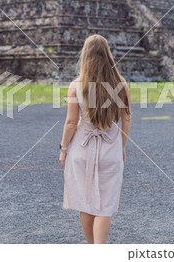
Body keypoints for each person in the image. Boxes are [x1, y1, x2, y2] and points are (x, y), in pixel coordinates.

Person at [59, 34, 132, 244]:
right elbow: (126, 120)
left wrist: (63, 149)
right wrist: (123, 147)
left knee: (86, 204)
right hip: (111, 150)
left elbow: (71, 123)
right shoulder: (121, 85)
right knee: (105, 207)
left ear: (86, 56)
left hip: (81, 150)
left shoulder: (76, 85)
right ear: (107, 55)